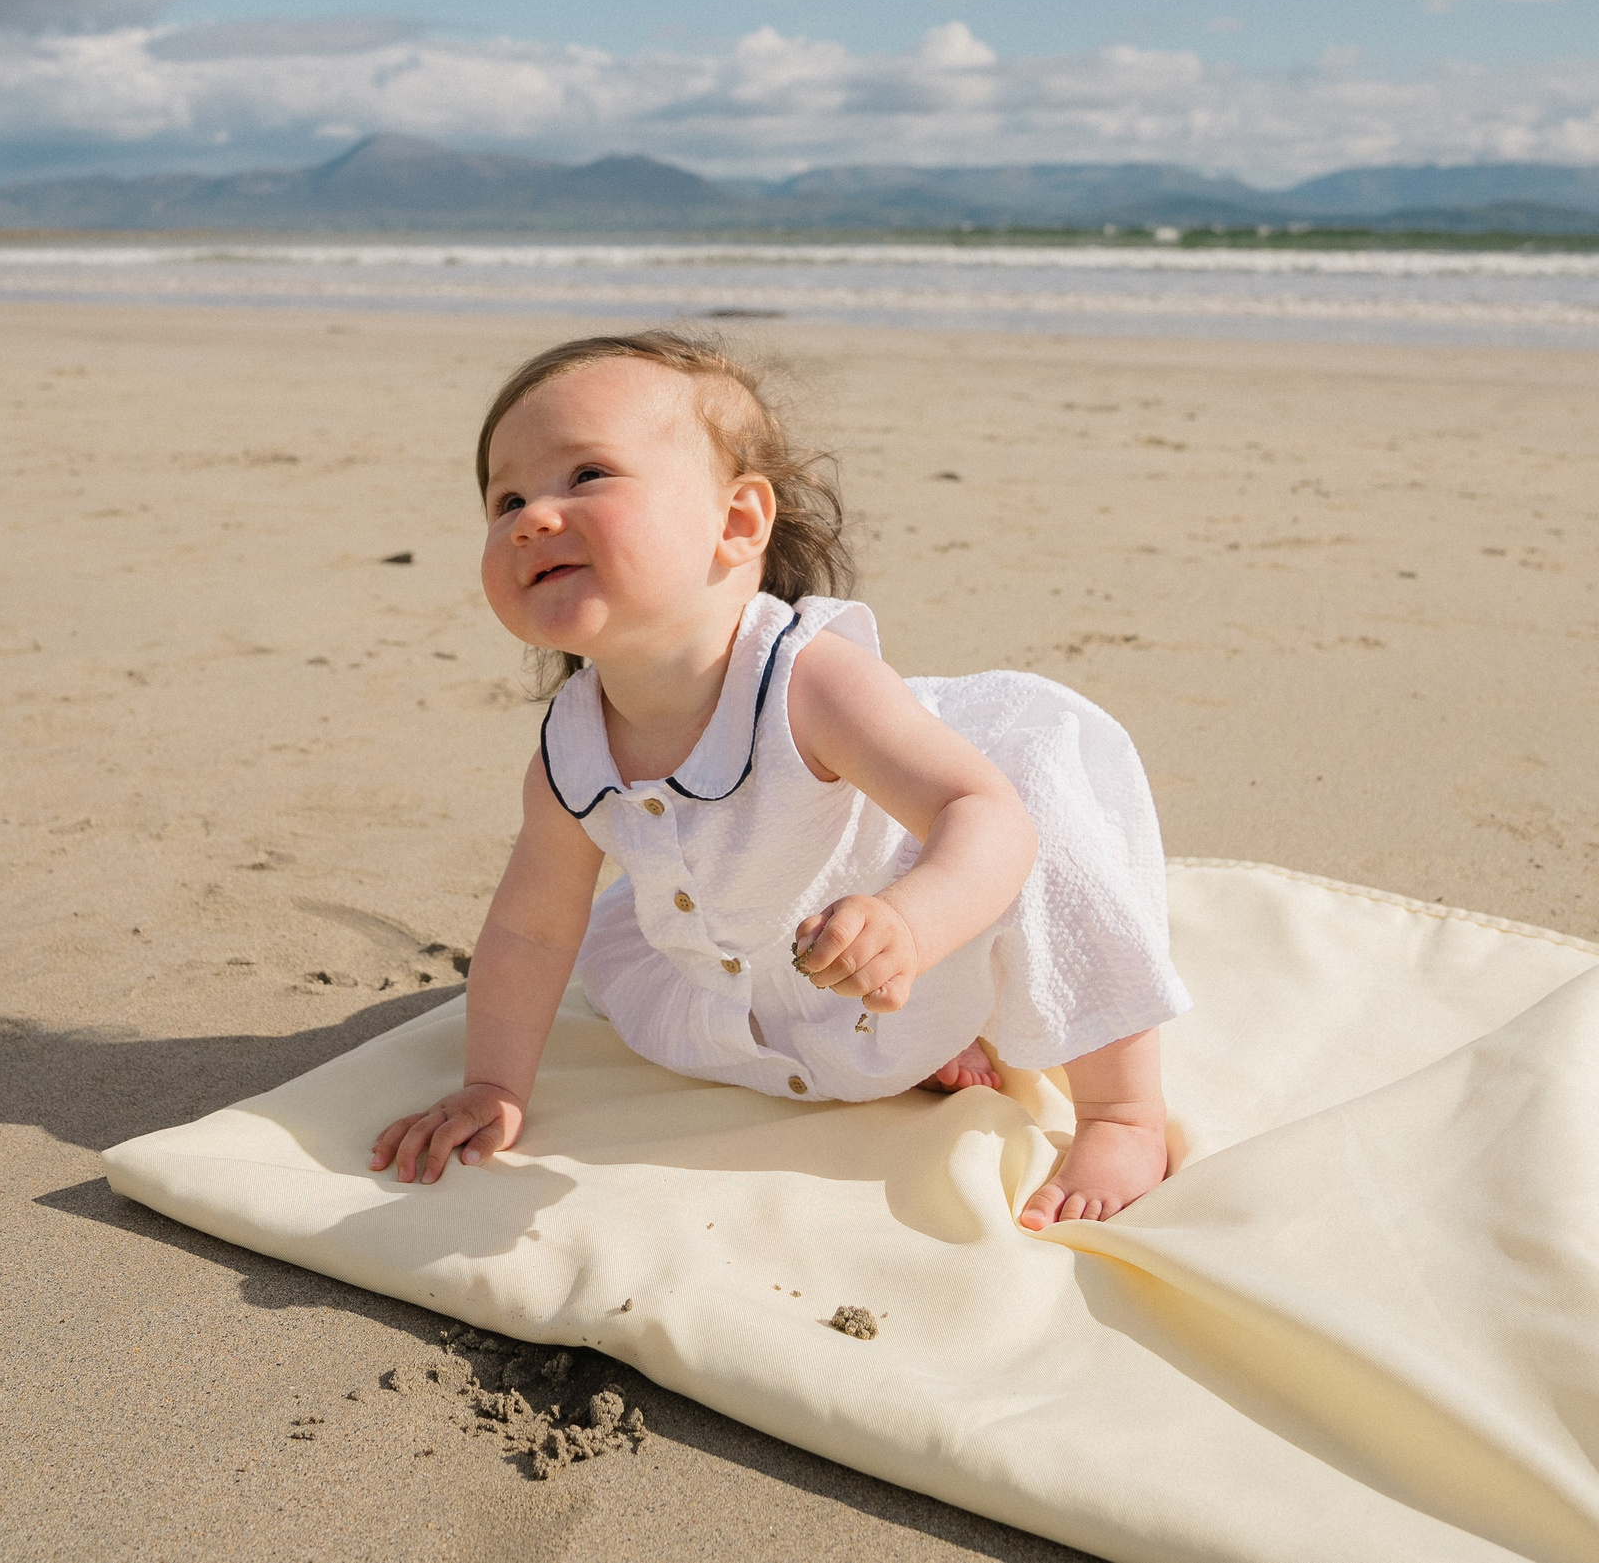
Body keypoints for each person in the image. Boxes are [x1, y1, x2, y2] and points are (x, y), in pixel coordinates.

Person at [369, 332, 1195, 1228]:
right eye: (508, 498)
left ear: (737, 522)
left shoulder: (807, 679)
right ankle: (920, 1052)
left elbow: (980, 812)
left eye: (587, 476)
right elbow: (531, 932)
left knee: (1041, 806)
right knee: (620, 943)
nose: (533, 516)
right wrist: (492, 1082)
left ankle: (1123, 1112)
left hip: (934, 919)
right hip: (763, 964)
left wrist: (913, 921)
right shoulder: (570, 755)